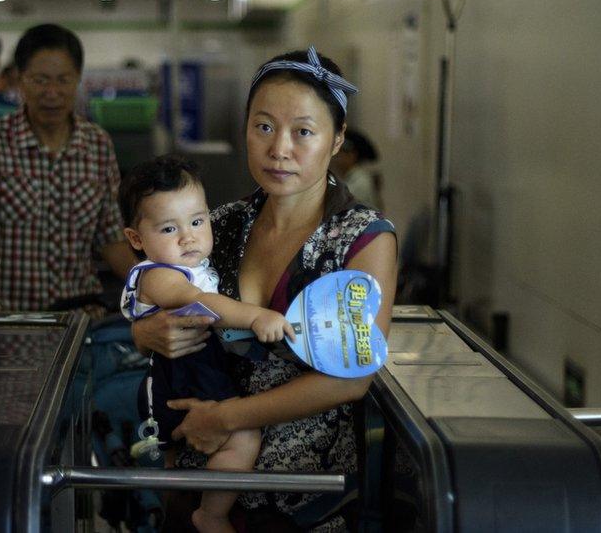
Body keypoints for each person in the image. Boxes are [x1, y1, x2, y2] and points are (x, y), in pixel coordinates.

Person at [131, 46, 397, 531]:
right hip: (200, 480)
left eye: (304, 132)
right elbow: (156, 290)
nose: (280, 149)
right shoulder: (219, 225)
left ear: (337, 140)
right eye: (264, 126)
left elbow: (353, 376)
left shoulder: (362, 238)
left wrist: (229, 418)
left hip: (305, 494)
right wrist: (145, 333)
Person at [118, 155, 296, 533]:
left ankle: (197, 510)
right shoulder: (155, 275)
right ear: (136, 239)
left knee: (206, 453)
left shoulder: (194, 260)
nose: (189, 236)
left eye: (198, 221)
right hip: (180, 377)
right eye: (169, 229)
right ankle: (210, 515)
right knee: (243, 438)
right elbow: (196, 301)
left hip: (200, 369)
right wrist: (254, 316)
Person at [0, 23, 137, 315]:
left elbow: (109, 236)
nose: (52, 92)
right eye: (40, 80)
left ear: (78, 79)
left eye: (63, 80)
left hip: (79, 320)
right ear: (20, 80)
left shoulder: (97, 144)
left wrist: (150, 283)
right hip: (7, 322)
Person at [331, 127, 382, 210]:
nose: (335, 156)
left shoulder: (360, 182)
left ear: (352, 156)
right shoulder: (347, 178)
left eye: (340, 152)